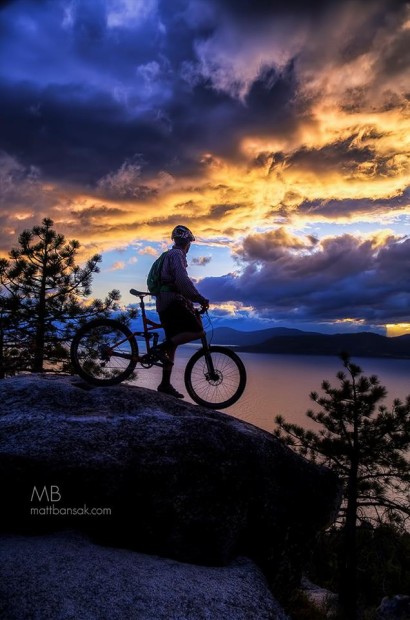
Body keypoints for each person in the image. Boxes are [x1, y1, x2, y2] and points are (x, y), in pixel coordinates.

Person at [153, 225, 209, 398]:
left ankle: (165, 384)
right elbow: (182, 281)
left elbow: (177, 284)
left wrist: (189, 303)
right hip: (171, 301)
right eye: (190, 243)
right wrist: (198, 298)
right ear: (187, 243)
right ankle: (160, 349)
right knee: (198, 331)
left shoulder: (169, 255)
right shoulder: (177, 255)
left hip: (164, 301)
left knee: (174, 342)